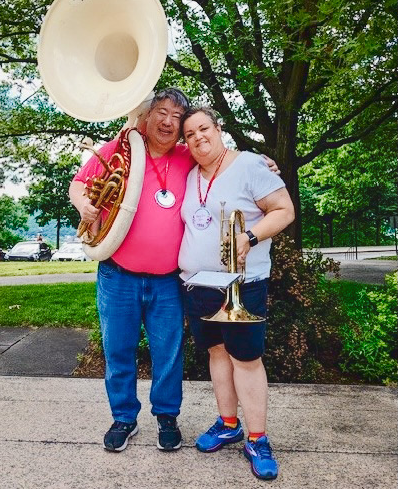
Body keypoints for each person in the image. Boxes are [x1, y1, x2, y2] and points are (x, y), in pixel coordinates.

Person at [69, 88, 280, 454]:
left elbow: (225, 161)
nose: (168, 121)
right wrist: (85, 204)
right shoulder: (120, 148)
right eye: (161, 112)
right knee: (118, 350)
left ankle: (167, 417)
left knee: (169, 353)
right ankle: (124, 418)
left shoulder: (188, 155)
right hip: (118, 275)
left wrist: (260, 161)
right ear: (147, 117)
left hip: (169, 280)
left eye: (176, 117)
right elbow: (78, 184)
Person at [178, 106, 294, 481]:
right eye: (189, 134)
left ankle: (257, 438)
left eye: (203, 129)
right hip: (199, 283)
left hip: (243, 283)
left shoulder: (249, 166)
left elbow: (284, 210)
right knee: (216, 353)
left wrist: (250, 236)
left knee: (246, 359)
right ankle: (229, 424)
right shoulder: (190, 173)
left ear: (218, 128)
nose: (197, 138)